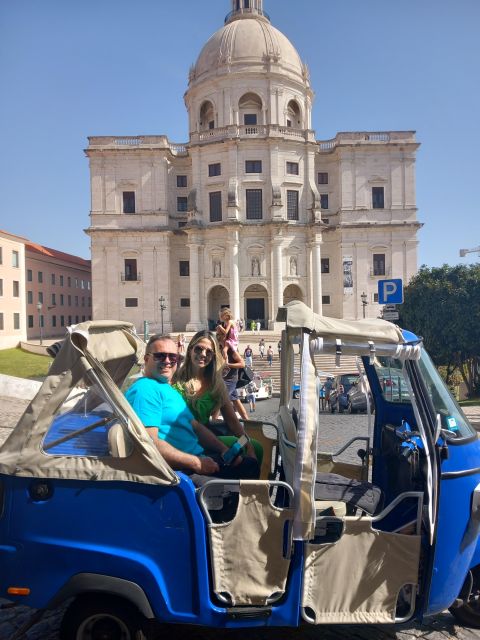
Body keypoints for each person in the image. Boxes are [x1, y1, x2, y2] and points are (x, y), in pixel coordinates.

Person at [125, 334, 258, 479]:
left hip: (197, 450)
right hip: (184, 466)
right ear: (146, 359)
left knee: (251, 454)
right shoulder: (151, 388)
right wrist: (197, 463)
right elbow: (148, 442)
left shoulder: (168, 387)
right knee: (249, 466)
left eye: (172, 357)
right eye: (160, 356)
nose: (167, 361)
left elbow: (198, 425)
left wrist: (227, 449)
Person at [174, 330, 262, 460]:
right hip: (180, 438)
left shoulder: (217, 385)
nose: (203, 354)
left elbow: (233, 422)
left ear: (214, 356)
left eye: (209, 352)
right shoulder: (175, 379)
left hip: (206, 439)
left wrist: (247, 444)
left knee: (256, 448)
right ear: (190, 349)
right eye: (199, 349)